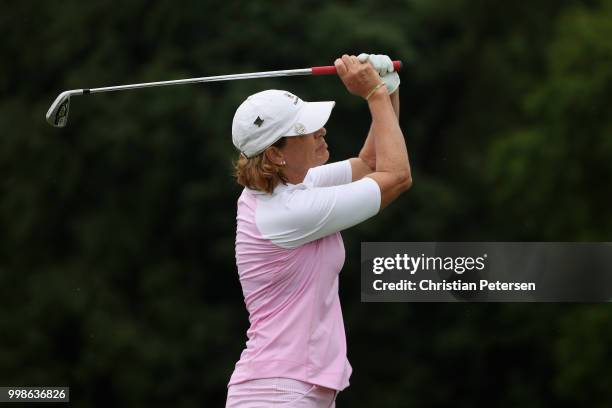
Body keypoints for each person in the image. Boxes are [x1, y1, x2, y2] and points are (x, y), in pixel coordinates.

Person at [225, 53, 412, 407]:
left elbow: (371, 163)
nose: (320, 130)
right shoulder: (286, 211)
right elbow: (396, 176)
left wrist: (387, 90)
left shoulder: (293, 188)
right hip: (277, 394)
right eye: (305, 130)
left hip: (292, 389)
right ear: (276, 155)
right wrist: (372, 94)